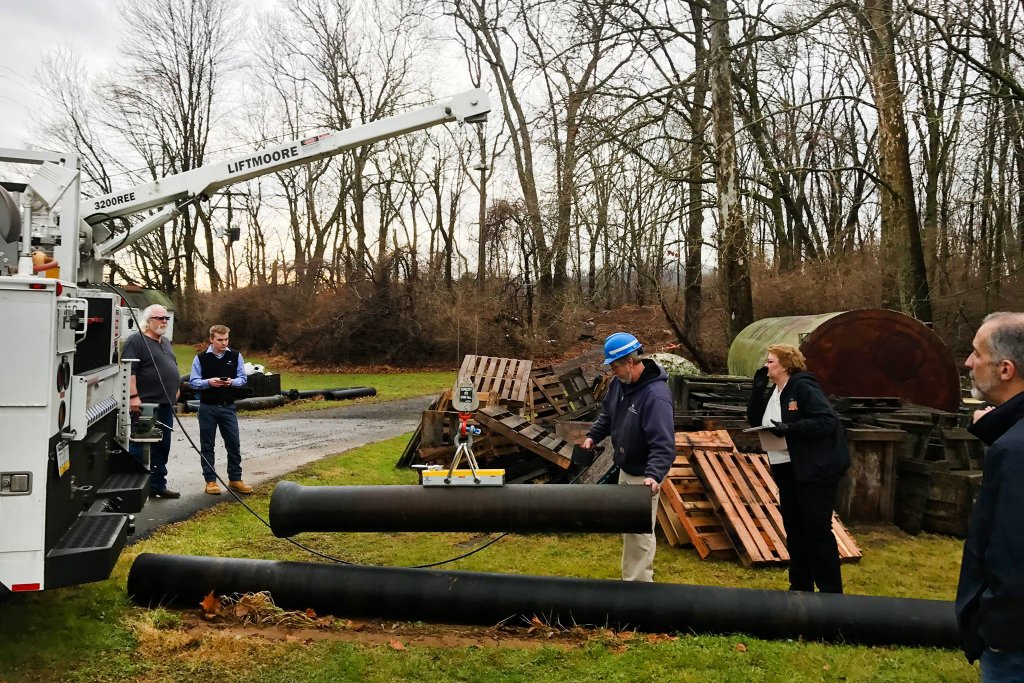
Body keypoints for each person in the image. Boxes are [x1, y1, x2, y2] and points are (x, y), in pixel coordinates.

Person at [747, 343, 849, 593]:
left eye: (770, 361)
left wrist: (790, 429)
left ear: (785, 364)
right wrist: (757, 389)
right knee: (794, 528)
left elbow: (826, 420)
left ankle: (831, 593)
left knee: (816, 528)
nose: (766, 365)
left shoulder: (803, 387)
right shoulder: (776, 392)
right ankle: (800, 588)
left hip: (814, 468)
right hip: (785, 465)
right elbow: (755, 419)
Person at [956, 312, 1024, 679]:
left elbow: (1013, 556)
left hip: (1015, 650)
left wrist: (994, 632)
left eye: (977, 354)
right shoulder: (1011, 439)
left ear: (1005, 370)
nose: (968, 363)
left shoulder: (1015, 451)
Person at [582, 332, 674, 582]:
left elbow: (663, 443)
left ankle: (640, 591)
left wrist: (654, 475)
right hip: (626, 468)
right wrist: (592, 436)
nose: (613, 372)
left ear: (630, 362)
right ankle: (629, 582)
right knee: (629, 532)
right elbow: (607, 416)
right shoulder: (619, 386)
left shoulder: (655, 396)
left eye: (615, 366)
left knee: (640, 534)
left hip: (644, 475)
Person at [123, 304, 181, 499]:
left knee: (162, 445)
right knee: (142, 447)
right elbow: (129, 371)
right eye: (159, 318)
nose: (164, 321)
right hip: (145, 405)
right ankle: (133, 488)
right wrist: (133, 397)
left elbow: (172, 366)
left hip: (165, 403)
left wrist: (177, 388)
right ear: (148, 321)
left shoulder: (165, 342)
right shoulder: (136, 341)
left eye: (166, 318)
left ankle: (157, 485)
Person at [189, 325, 253, 495]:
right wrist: (209, 382)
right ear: (211, 339)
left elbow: (243, 379)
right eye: (220, 340)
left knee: (233, 443)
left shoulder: (235, 355)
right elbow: (193, 382)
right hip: (207, 407)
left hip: (228, 406)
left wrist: (231, 382)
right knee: (207, 445)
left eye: (226, 339)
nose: (224, 343)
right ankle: (210, 481)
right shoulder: (201, 358)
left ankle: (235, 479)